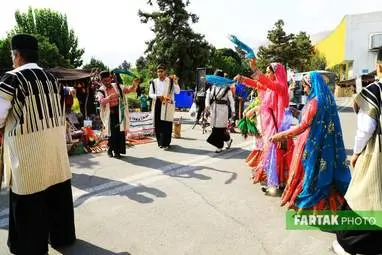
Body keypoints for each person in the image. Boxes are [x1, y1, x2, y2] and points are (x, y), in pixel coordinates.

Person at [0, 34, 76, 255]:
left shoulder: (11, 79)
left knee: (29, 194)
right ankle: (62, 237)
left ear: (18, 55)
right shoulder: (52, 78)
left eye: (12, 55)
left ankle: (31, 247)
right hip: (54, 147)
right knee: (56, 190)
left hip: (27, 148)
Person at [270, 72, 351, 212]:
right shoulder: (327, 99)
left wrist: (281, 135)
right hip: (328, 146)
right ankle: (334, 207)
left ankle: (310, 207)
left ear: (311, 85)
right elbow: (312, 119)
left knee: (311, 174)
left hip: (314, 145)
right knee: (327, 174)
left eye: (305, 86)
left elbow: (303, 126)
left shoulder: (314, 101)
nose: (305, 90)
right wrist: (296, 112)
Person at [333, 47, 382, 255]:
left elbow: (365, 129)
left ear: (379, 66)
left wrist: (356, 153)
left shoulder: (374, 91)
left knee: (366, 194)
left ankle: (358, 244)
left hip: (377, 155)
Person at [235, 61, 293, 196]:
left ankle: (272, 182)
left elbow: (265, 82)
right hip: (270, 125)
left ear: (275, 73)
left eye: (268, 71)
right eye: (266, 71)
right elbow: (258, 84)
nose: (266, 74)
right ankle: (277, 181)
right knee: (275, 154)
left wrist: (255, 69)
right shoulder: (270, 88)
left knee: (273, 154)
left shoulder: (280, 87)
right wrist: (243, 79)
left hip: (277, 126)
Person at [97, 71, 139, 158]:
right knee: (112, 134)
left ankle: (117, 152)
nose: (107, 82)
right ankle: (110, 149)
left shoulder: (117, 86)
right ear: (101, 81)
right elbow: (101, 101)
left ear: (110, 78)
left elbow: (128, 90)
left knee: (120, 132)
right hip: (110, 114)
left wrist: (134, 84)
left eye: (108, 80)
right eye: (105, 81)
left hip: (119, 112)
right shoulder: (101, 90)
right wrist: (110, 97)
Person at [149, 64, 180, 150]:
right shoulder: (153, 82)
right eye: (158, 71)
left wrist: (176, 82)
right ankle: (160, 142)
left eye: (161, 71)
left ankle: (166, 143)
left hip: (167, 104)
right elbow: (150, 94)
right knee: (158, 124)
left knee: (167, 125)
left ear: (165, 72)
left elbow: (177, 92)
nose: (159, 73)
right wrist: (157, 96)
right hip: (158, 104)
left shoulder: (170, 80)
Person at [205, 70, 235, 153]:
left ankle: (219, 146)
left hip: (223, 110)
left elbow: (232, 101)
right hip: (213, 109)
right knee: (216, 128)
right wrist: (207, 106)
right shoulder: (211, 87)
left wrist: (233, 111)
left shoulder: (227, 88)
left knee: (219, 129)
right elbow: (207, 97)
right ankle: (228, 140)